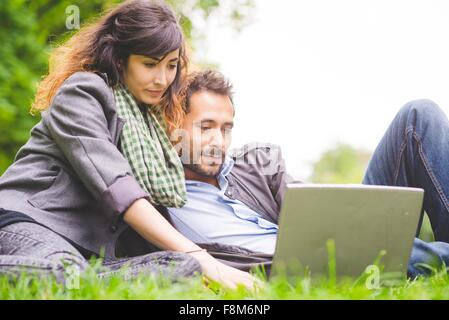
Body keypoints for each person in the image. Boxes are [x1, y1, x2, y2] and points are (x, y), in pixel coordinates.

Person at [0, 0, 259, 290]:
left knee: (180, 267)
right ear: (120, 59)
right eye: (149, 64)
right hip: (29, 224)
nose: (162, 79)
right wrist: (204, 260)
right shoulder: (83, 93)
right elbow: (117, 187)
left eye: (171, 66)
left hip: (89, 253)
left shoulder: (152, 123)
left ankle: (80, 279)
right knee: (63, 274)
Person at [167, 69, 449, 279]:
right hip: (298, 266)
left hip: (329, 241)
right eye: (205, 128)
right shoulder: (156, 203)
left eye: (226, 128)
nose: (219, 141)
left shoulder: (254, 165)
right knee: (373, 249)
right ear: (174, 127)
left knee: (419, 115)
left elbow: (320, 209)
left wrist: (353, 224)